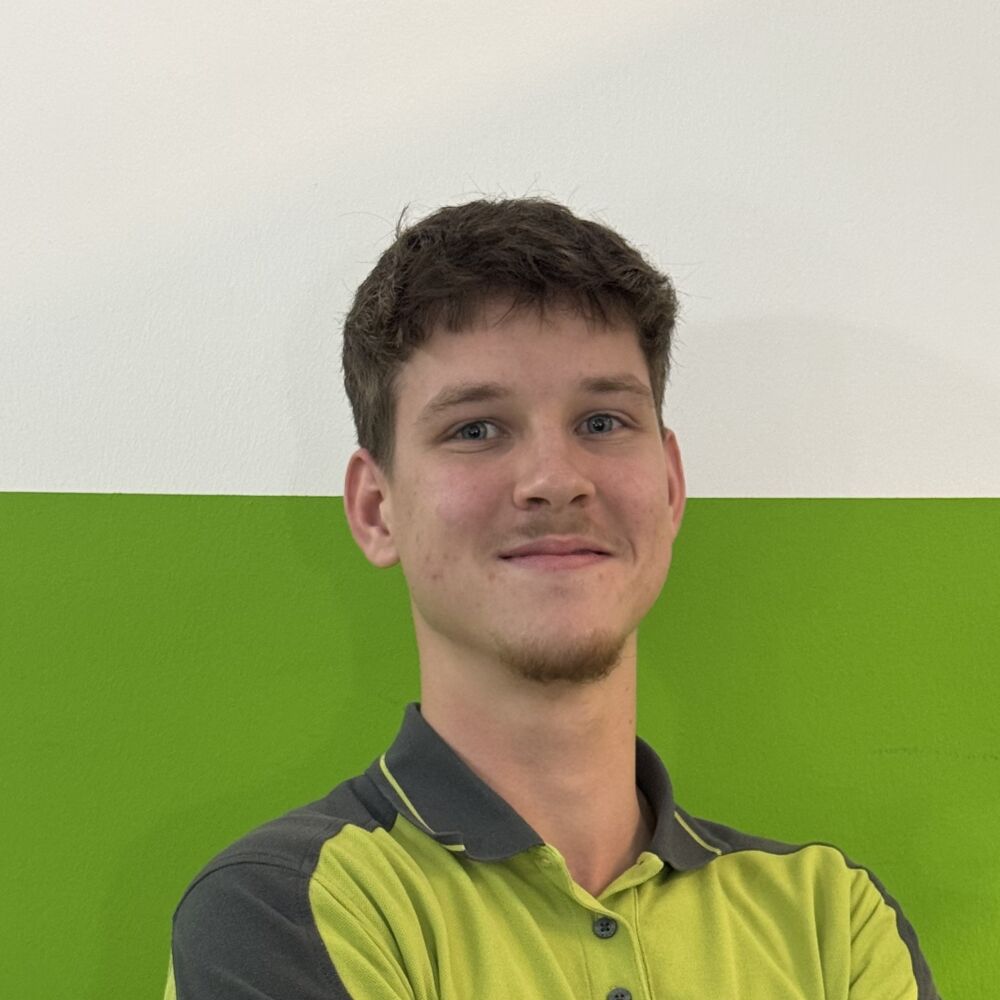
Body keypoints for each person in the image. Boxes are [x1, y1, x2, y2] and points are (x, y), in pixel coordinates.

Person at [164, 197, 941, 998]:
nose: (556, 480)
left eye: (602, 422)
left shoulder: (831, 918)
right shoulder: (284, 907)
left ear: (670, 487)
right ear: (375, 509)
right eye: (475, 429)